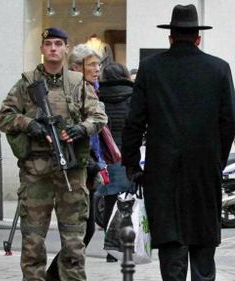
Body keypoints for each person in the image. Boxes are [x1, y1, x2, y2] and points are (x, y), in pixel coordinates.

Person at [121, 4, 235, 281]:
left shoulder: (151, 69)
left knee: (172, 243)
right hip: (204, 168)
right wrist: (217, 158)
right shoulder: (219, 69)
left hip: (163, 169)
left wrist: (132, 164)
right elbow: (230, 119)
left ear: (170, 36)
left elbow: (134, 121)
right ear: (198, 38)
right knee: (202, 243)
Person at [0, 27, 108, 281]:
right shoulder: (27, 83)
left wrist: (80, 129)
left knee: (73, 245)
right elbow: (5, 116)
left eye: (59, 44)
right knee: (33, 244)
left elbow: (99, 116)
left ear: (66, 48)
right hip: (36, 173)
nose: (54, 49)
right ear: (42, 48)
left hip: (70, 171)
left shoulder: (78, 83)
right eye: (49, 44)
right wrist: (30, 124)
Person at [45, 43, 108, 280]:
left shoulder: (92, 90)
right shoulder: (69, 92)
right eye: (92, 65)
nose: (97, 69)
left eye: (98, 64)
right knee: (80, 231)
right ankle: (55, 275)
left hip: (88, 168)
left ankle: (54, 275)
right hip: (75, 168)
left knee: (85, 230)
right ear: (75, 67)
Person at [97, 62, 134, 260]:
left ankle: (110, 249)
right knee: (127, 202)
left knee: (109, 202)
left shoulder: (97, 95)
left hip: (106, 154)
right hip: (127, 156)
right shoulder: (134, 95)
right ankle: (125, 246)